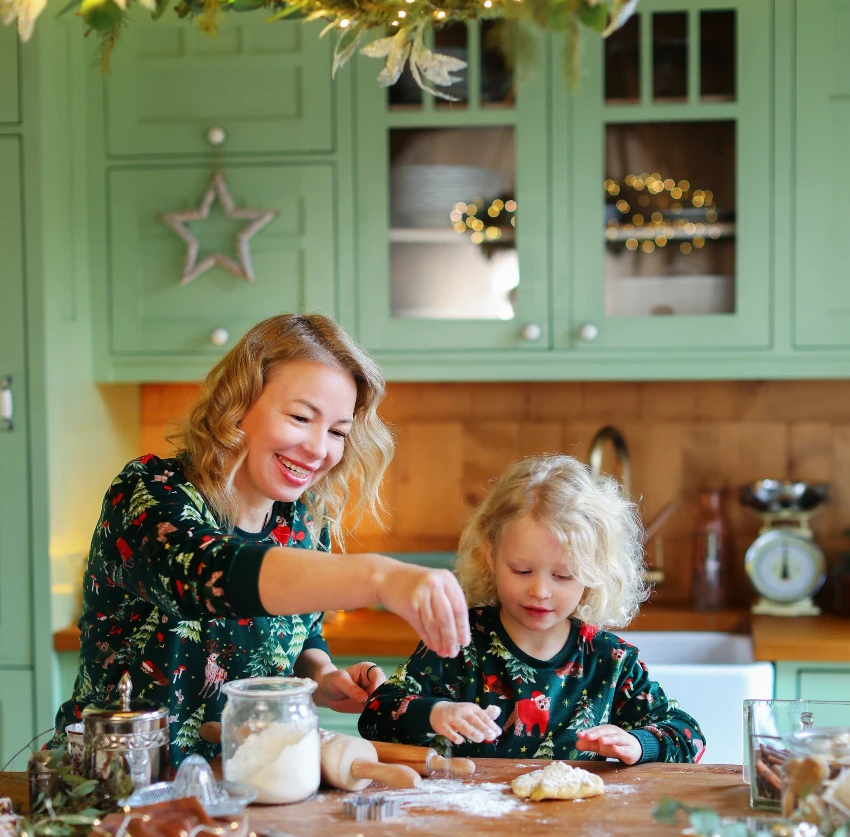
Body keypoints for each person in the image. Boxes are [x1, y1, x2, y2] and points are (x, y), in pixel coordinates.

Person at [51, 314, 470, 765]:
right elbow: (206, 574)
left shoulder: (304, 520)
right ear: (238, 403)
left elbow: (302, 629)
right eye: (300, 417)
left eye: (337, 432)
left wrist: (322, 676)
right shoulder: (148, 491)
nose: (317, 448)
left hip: (247, 780)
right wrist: (381, 575)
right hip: (117, 787)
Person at [359, 455, 706, 764]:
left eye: (563, 575)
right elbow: (376, 715)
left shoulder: (610, 661)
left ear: (594, 573)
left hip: (575, 830)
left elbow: (689, 736)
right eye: (522, 571)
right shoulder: (458, 643)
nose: (540, 591)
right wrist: (435, 713)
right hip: (473, 829)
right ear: (492, 556)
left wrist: (637, 743)